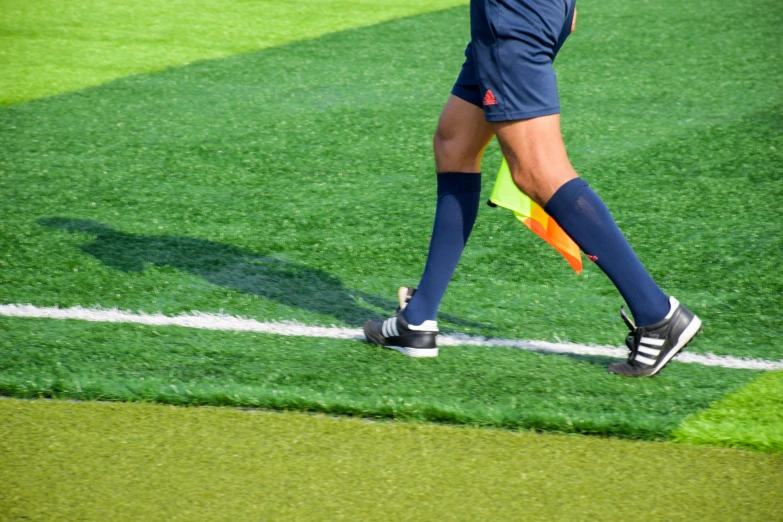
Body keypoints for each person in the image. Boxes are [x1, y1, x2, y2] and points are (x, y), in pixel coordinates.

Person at [363, 0, 702, 377]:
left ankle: (658, 314)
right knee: (454, 144)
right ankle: (418, 318)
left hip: (512, 14)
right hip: (517, 14)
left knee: (538, 171)